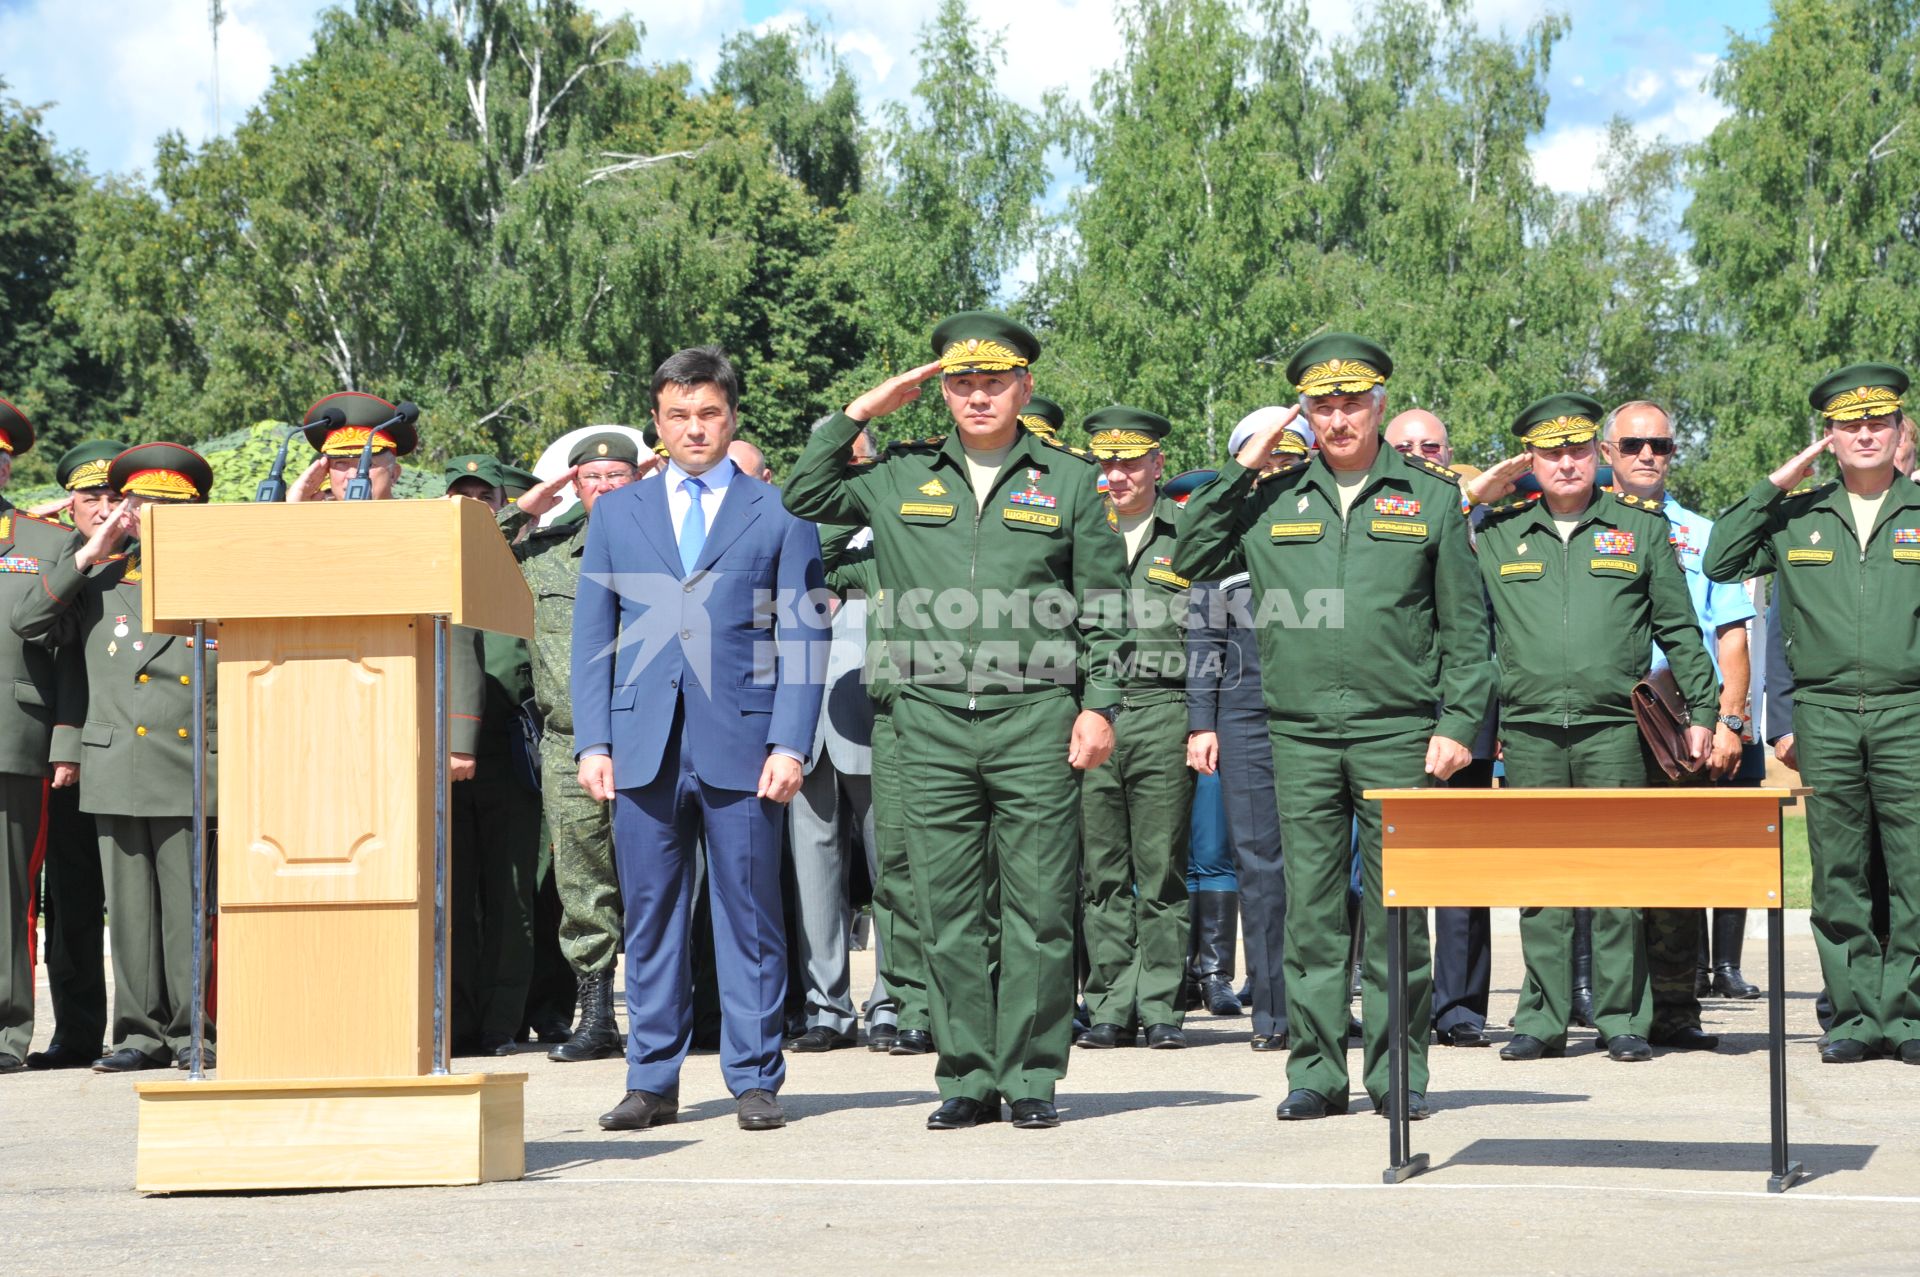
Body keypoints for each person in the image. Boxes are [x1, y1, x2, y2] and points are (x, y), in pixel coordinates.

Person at [782, 311, 1129, 1131]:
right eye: (961, 382)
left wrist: (1100, 704)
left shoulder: (1072, 482)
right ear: (939, 391)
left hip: (1036, 716)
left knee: (1042, 904)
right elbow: (803, 493)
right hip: (927, 719)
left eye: (994, 380)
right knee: (944, 906)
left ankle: (1034, 1076)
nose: (978, 395)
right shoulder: (898, 476)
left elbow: (1110, 609)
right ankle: (967, 1074)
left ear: (1024, 387)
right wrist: (865, 410)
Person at [1177, 334, 1495, 1121]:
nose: (1338, 417)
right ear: (1305, 414)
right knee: (1309, 909)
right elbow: (1189, 553)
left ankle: (1397, 1075)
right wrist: (1247, 464)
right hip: (1300, 730)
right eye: (1322, 405)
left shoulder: (1428, 499)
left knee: (1396, 912)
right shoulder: (1270, 497)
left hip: (1399, 731)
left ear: (1380, 404)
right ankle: (1315, 1070)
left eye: (1352, 401)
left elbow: (1466, 628)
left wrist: (1458, 721)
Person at [574, 346, 827, 1132]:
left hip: (746, 745)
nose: (695, 428)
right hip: (642, 743)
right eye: (679, 414)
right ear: (656, 422)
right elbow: (593, 632)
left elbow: (805, 636)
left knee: (749, 913)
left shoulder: (780, 512)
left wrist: (791, 742)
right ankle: (651, 1078)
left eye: (709, 413)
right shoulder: (619, 512)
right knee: (650, 914)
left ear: (732, 417)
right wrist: (593, 741)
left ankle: (754, 1076)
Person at [1466, 393, 1716, 1063]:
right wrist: (1476, 492)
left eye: (1578, 448)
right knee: (1540, 879)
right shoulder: (1498, 532)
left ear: (1595, 456)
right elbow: (1432, 533)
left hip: (1614, 730)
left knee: (1615, 879)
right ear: (1531, 461)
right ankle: (1541, 1019)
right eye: (1551, 452)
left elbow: (1681, 632)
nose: (1567, 462)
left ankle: (1622, 1018)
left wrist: (1705, 713)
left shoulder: (1639, 530)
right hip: (1531, 730)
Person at [1703, 362, 1920, 1065]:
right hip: (1825, 711)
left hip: (1908, 711)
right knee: (1838, 872)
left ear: (1897, 429)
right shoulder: (1799, 515)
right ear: (1827, 435)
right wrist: (1782, 479)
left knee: (1915, 870)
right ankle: (1855, 1013)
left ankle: (1908, 1014)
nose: (1865, 433)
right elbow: (1718, 557)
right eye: (1847, 424)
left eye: (1878, 420)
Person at [13, 443, 222, 1073]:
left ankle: (192, 1032)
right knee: (129, 910)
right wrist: (88, 552)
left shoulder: (219, 573)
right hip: (118, 757)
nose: (150, 517)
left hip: (191, 764)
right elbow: (30, 622)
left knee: (187, 907)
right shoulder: (101, 577)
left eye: (168, 507)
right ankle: (140, 1032)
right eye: (142, 506)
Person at [1602, 400, 1759, 1046]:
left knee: (1674, 865)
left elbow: (1732, 637)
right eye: (1634, 443)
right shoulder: (1582, 522)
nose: (1647, 454)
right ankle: (1605, 1004)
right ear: (1607, 451)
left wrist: (1729, 720)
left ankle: (1674, 1007)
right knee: (1603, 866)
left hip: (1679, 723)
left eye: (1660, 445)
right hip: (1607, 719)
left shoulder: (1704, 534)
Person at [503, 433, 656, 1061]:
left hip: (653, 734)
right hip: (571, 743)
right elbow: (466, 553)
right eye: (589, 478)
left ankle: (665, 1014)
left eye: (617, 475)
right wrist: (530, 505)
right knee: (582, 881)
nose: (603, 487)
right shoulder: (546, 556)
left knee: (656, 879)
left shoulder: (667, 548)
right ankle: (597, 1016)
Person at [1077, 408, 1195, 1050]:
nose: (1117, 475)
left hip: (1163, 709)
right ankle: (1109, 1004)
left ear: (1157, 465)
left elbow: (1211, 627)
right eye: (1107, 463)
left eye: (1131, 462)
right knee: (1102, 871)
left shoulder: (1186, 533)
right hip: (1091, 712)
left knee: (1161, 869)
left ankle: (1161, 1008)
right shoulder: (1078, 527)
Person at [1385, 408, 1496, 1049]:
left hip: (1463, 718)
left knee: (1459, 871)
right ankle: (1396, 1004)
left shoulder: (1486, 522)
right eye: (1407, 446)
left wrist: (1488, 717)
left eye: (1433, 445)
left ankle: (1458, 1007)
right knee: (1386, 874)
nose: (1422, 453)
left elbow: (1489, 629)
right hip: (1386, 718)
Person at [21, 440, 127, 1070]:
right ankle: (79, 1031)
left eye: (117, 497)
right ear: (72, 504)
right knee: (70, 900)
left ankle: (163, 1025)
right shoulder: (59, 558)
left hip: (132, 752)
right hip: (66, 753)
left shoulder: (142, 563)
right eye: (91, 499)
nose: (105, 509)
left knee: (142, 899)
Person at [787, 426, 890, 1053]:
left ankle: (893, 999)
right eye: (840, 463)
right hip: (802, 722)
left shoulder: (888, 521)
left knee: (890, 872)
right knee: (813, 872)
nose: (851, 474)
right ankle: (826, 1006)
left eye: (860, 461)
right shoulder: (797, 522)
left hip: (874, 717)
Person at [441, 455, 547, 1055]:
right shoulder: (440, 564)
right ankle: (455, 1016)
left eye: (486, 497)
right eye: (463, 497)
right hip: (443, 750)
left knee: (511, 896)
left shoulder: (528, 563)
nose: (475, 506)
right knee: (453, 891)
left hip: (511, 745)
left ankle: (503, 1021)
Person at [0, 401, 85, 1074]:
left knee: (9, 894)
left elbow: (69, 655)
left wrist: (64, 738)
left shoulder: (45, 543)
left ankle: (5, 1030)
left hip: (12, 738)